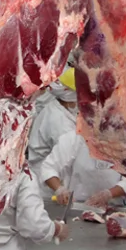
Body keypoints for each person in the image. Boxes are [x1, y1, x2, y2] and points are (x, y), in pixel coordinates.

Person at [40, 130, 126, 207]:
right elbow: (49, 168)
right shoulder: (74, 138)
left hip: (114, 207)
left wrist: (109, 194)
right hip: (76, 205)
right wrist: (59, 189)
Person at [27, 68, 78, 199]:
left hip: (49, 177)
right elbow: (70, 155)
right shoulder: (59, 122)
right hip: (47, 185)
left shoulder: (59, 107)